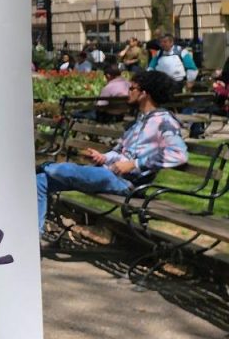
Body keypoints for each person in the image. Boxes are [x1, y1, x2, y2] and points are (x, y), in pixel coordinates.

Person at [36, 70, 187, 234]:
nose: (128, 91)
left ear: (145, 94)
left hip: (127, 184)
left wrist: (135, 164)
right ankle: (35, 236)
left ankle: (44, 165)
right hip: (109, 173)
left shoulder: (164, 121)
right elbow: (121, 151)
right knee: (40, 181)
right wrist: (103, 157)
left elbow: (179, 154)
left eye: (132, 88)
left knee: (62, 170)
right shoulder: (141, 120)